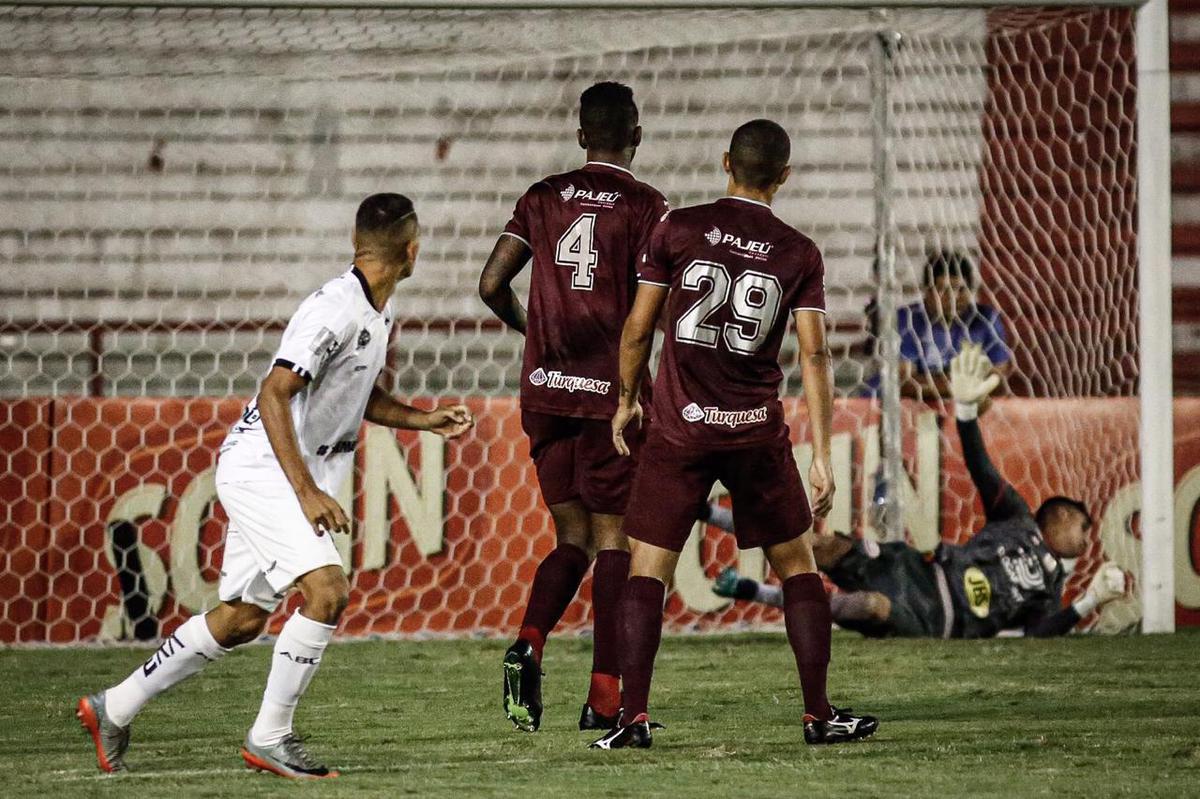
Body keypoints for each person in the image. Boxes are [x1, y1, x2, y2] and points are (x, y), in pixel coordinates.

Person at [77, 194, 475, 778]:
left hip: (286, 468)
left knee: (240, 619)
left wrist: (423, 420)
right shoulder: (334, 308)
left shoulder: (376, 310)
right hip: (267, 469)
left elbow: (354, 395)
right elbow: (273, 392)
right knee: (327, 592)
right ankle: (270, 737)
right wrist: (307, 491)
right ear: (412, 252)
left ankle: (113, 707)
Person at [592, 119, 879, 750]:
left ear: (726, 162)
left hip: (679, 429)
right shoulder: (799, 252)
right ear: (783, 177)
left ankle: (631, 719)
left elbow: (638, 330)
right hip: (754, 432)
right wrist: (824, 453)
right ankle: (817, 714)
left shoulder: (677, 227)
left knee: (647, 568)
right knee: (797, 565)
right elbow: (814, 356)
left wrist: (624, 401)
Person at [478, 82, 669, 733]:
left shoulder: (541, 197)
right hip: (607, 396)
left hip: (544, 388)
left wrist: (531, 330)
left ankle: (530, 638)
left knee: (571, 535)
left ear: (581, 133)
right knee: (615, 535)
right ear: (636, 134)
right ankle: (605, 695)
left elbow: (490, 283)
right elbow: (653, 308)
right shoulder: (647, 206)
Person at [713, 345, 1127, 638]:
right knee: (819, 545)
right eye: (1084, 527)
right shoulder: (1017, 518)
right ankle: (709, 514)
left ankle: (759, 593)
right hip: (920, 570)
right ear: (1062, 514)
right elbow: (982, 468)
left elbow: (1038, 633)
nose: (1086, 539)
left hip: (937, 618)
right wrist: (964, 414)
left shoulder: (1050, 588)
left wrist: (1088, 601)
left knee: (871, 607)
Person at [863, 250, 1013, 402]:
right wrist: (963, 386)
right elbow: (905, 384)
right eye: (944, 290)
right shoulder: (906, 319)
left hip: (949, 405)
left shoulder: (986, 319)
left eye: (961, 290)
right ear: (927, 292)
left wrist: (947, 386)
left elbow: (998, 376)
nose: (954, 298)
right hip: (884, 407)